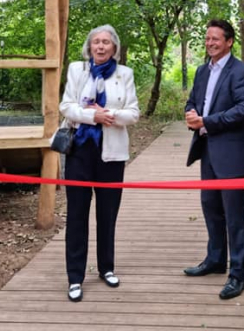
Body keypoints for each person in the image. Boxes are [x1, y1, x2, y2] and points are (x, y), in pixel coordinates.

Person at [59, 25, 140, 302]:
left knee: (107, 214)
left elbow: (133, 114)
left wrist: (109, 115)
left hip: (112, 155)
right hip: (79, 152)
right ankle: (74, 277)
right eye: (96, 42)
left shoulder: (124, 74)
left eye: (106, 42)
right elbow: (66, 106)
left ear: (114, 47)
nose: (101, 47)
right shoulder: (77, 70)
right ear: (90, 46)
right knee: (77, 216)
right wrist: (92, 117)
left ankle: (106, 268)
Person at [183, 19, 244, 300]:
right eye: (207, 38)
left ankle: (237, 274)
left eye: (216, 38)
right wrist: (191, 113)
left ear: (229, 42)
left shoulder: (242, 71)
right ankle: (215, 260)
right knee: (210, 207)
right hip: (207, 151)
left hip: (233, 154)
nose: (210, 43)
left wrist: (207, 120)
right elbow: (193, 101)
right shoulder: (202, 71)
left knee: (235, 216)